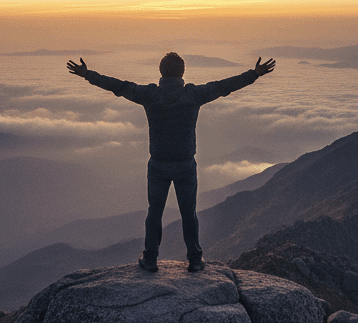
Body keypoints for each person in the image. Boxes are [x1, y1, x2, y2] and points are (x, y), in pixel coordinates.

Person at [67, 51, 275, 273]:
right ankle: (195, 259)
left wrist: (87, 74)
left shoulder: (150, 95)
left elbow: (118, 87)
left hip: (158, 164)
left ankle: (150, 259)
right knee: (189, 213)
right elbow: (223, 87)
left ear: (161, 72)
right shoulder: (193, 95)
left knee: (154, 212)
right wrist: (255, 74)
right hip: (185, 164)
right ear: (182, 72)